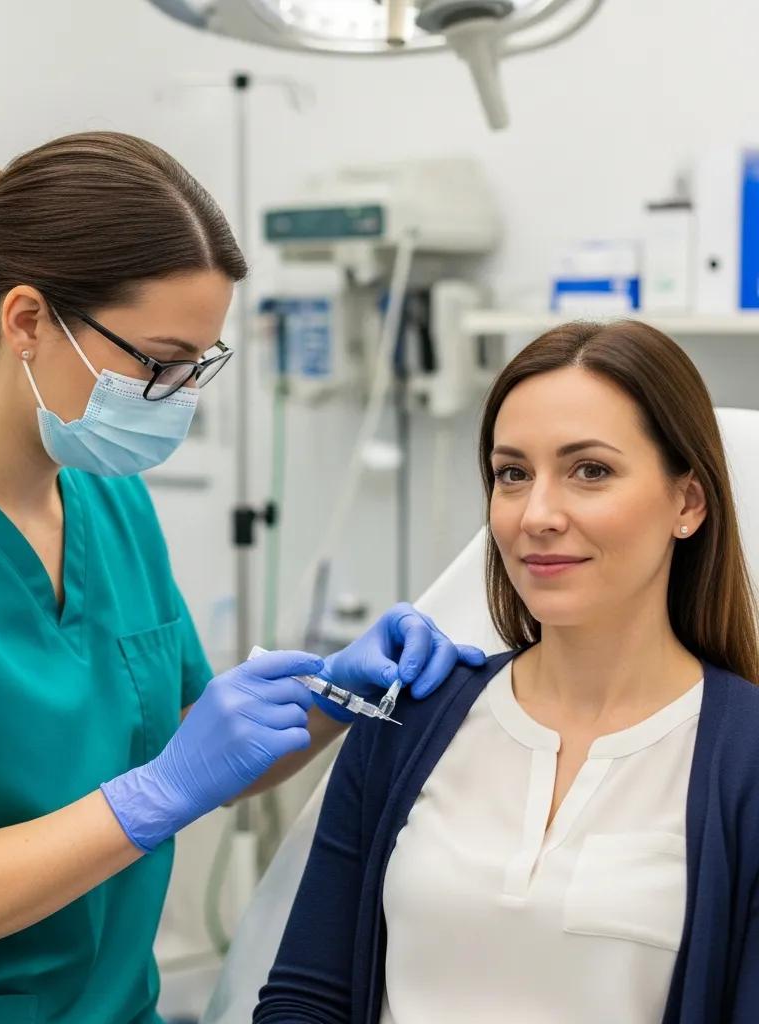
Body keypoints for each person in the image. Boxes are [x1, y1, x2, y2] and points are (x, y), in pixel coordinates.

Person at [0, 131, 484, 1024]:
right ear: (26, 321)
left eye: (198, 365)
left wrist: (330, 693)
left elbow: (188, 746)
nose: (176, 395)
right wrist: (155, 795)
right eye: (157, 362)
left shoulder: (105, 502)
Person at [255, 320, 759, 1023]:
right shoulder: (413, 717)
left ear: (687, 502)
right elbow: (307, 997)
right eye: (512, 474)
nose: (537, 515)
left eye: (591, 471)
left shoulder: (743, 757)